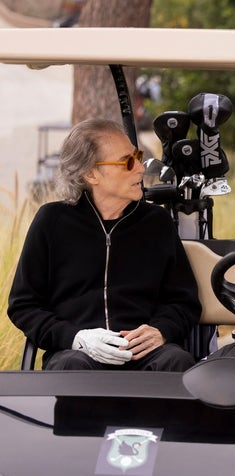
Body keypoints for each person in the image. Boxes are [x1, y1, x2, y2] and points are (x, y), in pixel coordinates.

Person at [8, 118, 201, 371]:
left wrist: (160, 331)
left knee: (176, 361)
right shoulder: (51, 221)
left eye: (138, 157)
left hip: (145, 354)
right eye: (127, 162)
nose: (140, 169)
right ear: (90, 174)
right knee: (69, 366)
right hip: (77, 353)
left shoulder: (157, 222)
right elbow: (24, 306)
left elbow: (184, 302)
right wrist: (75, 338)